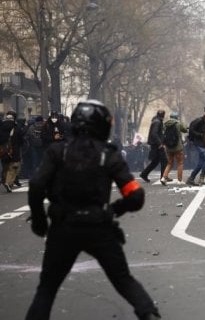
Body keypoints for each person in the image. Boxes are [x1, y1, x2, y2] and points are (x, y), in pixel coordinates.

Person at [25, 100, 160, 320]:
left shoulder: (57, 152)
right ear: (102, 125)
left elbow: (37, 185)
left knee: (47, 289)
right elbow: (135, 195)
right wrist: (114, 210)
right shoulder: (108, 155)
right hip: (99, 227)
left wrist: (40, 221)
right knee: (124, 280)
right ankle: (149, 313)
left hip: (63, 228)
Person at [186, 104, 205, 186]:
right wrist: (201, 135)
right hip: (198, 143)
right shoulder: (199, 120)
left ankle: (191, 178)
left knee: (201, 162)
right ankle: (201, 178)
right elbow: (191, 131)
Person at [159, 112, 188, 185]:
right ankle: (179, 180)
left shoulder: (165, 124)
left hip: (168, 147)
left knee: (169, 163)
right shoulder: (178, 123)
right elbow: (185, 130)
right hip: (177, 147)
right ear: (176, 117)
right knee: (180, 163)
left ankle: (163, 177)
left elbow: (163, 134)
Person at [139, 110, 167, 183]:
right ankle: (163, 177)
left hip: (155, 144)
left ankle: (144, 174)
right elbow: (154, 134)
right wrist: (160, 143)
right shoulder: (157, 122)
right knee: (164, 160)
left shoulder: (156, 120)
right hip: (157, 145)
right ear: (163, 115)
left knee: (155, 161)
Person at [1, 111, 22, 193]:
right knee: (14, 167)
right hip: (14, 150)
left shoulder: (1, 127)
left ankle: (4, 180)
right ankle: (8, 182)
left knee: (5, 166)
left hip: (3, 150)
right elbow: (20, 139)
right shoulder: (16, 127)